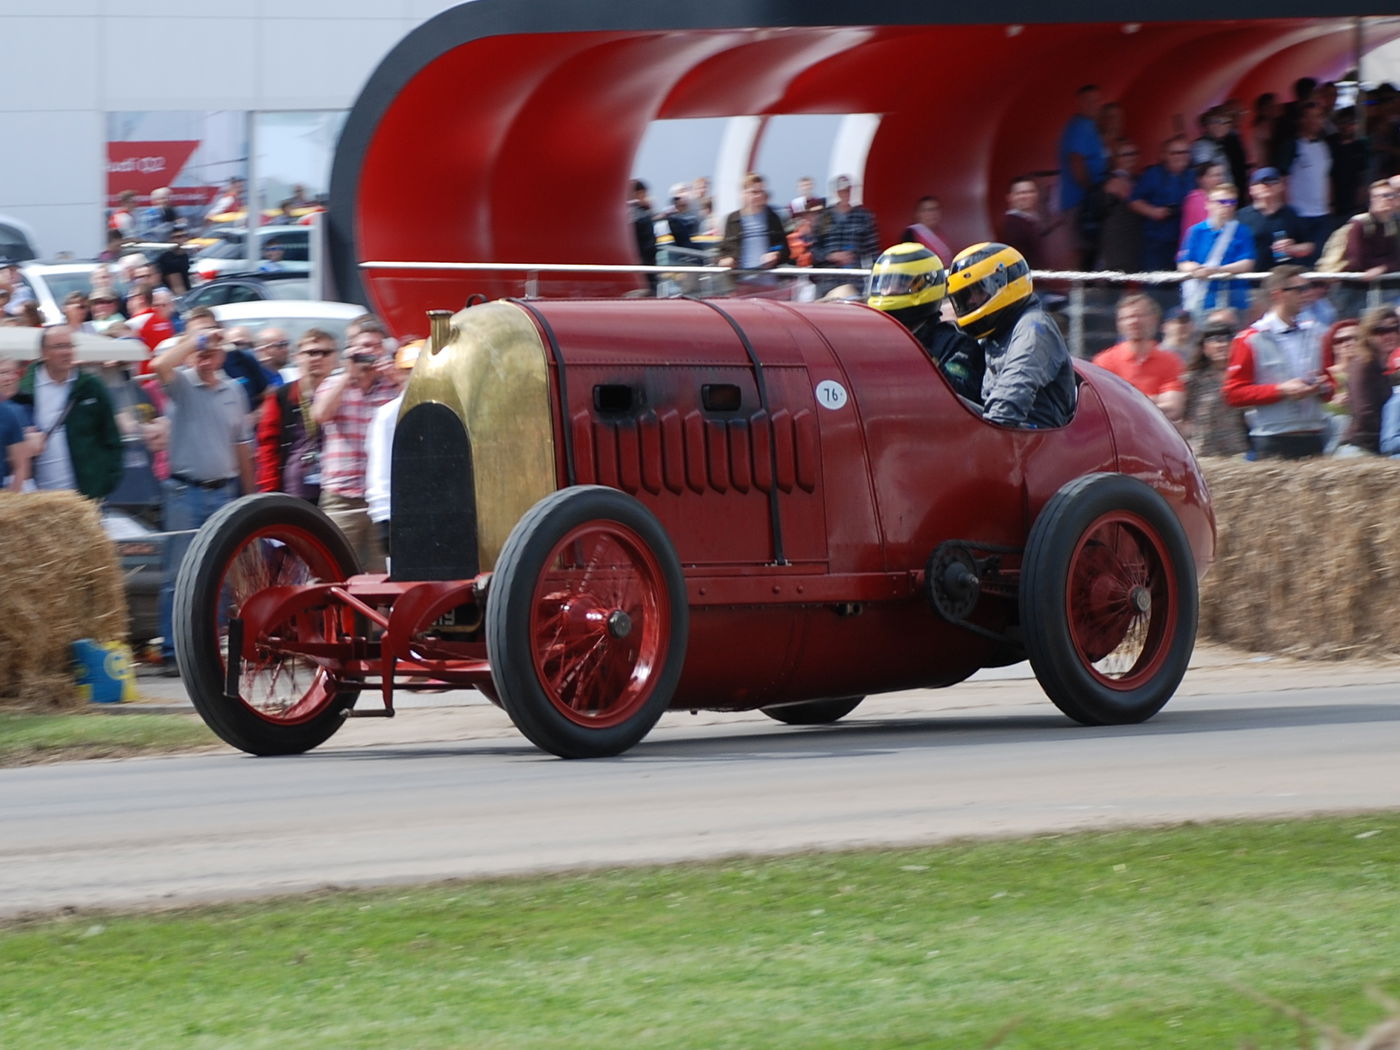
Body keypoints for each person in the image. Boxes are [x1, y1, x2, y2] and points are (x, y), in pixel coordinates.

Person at [151, 309, 255, 673]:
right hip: (185, 491)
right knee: (178, 575)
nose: (207, 352)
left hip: (223, 492)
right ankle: (170, 650)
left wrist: (250, 495)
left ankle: (212, 648)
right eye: (201, 344)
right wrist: (194, 340)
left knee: (220, 574)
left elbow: (241, 446)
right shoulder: (181, 384)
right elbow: (159, 365)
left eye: (214, 342)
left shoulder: (234, 391)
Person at [946, 242, 1076, 428]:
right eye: (965, 296)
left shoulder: (1034, 327)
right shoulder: (994, 336)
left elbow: (1011, 393)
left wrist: (986, 435)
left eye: (978, 290)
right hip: (1009, 438)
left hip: (1032, 443)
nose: (971, 300)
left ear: (1005, 283)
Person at [311, 318, 403, 572]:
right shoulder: (334, 383)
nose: (369, 353)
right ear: (351, 350)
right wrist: (347, 374)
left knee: (382, 573)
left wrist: (396, 377)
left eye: (376, 346)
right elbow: (320, 415)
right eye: (364, 346)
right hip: (341, 496)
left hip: (380, 498)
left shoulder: (391, 387)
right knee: (330, 569)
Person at [1223, 265, 1332, 459]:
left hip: (1314, 433)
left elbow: (1330, 384)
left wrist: (1321, 387)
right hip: (1274, 437)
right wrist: (1281, 390)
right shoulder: (1250, 338)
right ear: (1278, 294)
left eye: (1306, 288)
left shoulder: (1316, 333)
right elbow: (1233, 394)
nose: (1306, 294)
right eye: (1299, 289)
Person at [11, 325, 123, 499]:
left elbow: (112, 437)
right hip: (38, 496)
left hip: (86, 497)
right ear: (44, 352)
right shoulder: (24, 388)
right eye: (59, 346)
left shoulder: (90, 387)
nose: (67, 352)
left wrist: (106, 481)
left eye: (70, 346)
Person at [866, 242, 983, 400]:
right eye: (884, 284)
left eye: (899, 284)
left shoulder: (957, 343)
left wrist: (922, 358)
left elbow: (964, 395)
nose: (888, 291)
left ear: (927, 285)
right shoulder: (872, 338)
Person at [256, 328, 339, 502]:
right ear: (297, 357)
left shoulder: (346, 392)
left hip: (339, 488)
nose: (317, 358)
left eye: (325, 353)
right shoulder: (281, 396)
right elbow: (267, 447)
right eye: (310, 353)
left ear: (336, 358)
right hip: (295, 491)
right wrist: (270, 493)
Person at [364, 340, 422, 564]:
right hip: (402, 517)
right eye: (409, 371)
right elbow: (379, 468)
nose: (415, 376)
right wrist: (384, 518)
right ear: (398, 374)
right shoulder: (388, 415)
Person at [1092, 293, 1186, 421]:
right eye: (1127, 317)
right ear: (1119, 323)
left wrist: (1127, 401)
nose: (1134, 321)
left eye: (1140, 315)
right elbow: (1104, 407)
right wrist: (1154, 399)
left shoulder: (1170, 361)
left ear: (1154, 319)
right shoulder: (1104, 361)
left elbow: (1173, 409)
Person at [1177, 183, 1255, 319]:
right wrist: (1197, 269)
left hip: (1234, 300)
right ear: (1208, 204)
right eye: (1222, 201)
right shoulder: (1196, 231)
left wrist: (1216, 270)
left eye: (1232, 202)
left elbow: (1247, 263)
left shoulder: (1242, 231)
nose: (1228, 205)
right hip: (1201, 300)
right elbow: (1183, 263)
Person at [1275, 101, 1334, 265]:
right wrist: (1286, 209)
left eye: (1320, 117)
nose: (1318, 121)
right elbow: (1282, 179)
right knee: (1297, 260)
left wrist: (1329, 204)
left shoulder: (1324, 146)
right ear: (1302, 120)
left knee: (1320, 259)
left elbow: (1326, 176)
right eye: (1312, 117)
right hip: (1299, 213)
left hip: (1321, 214)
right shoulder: (1292, 145)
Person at [1335, 308, 1397, 455]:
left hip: (1376, 447)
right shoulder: (1363, 364)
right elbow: (1365, 412)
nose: (1390, 335)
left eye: (1395, 328)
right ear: (1368, 335)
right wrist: (1391, 434)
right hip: (1361, 449)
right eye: (1380, 331)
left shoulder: (1383, 366)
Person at [1183, 322, 1250, 457]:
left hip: (1238, 451)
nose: (1222, 345)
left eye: (1227, 340)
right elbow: (1184, 415)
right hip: (1203, 452)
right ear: (1204, 348)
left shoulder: (1245, 377)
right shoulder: (1193, 380)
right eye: (1214, 340)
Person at [716, 173, 791, 289]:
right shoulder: (732, 219)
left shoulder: (773, 218)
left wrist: (776, 254)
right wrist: (726, 260)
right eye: (754, 192)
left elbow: (782, 247)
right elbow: (724, 249)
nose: (758, 196)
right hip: (741, 282)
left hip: (768, 281)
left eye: (761, 192)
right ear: (743, 194)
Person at [1131, 136, 1195, 272]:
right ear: (1164, 155)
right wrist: (1153, 211)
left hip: (1184, 241)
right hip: (1156, 240)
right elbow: (1134, 201)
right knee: (1156, 284)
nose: (1181, 156)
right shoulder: (1153, 174)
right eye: (1175, 152)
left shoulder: (1192, 175)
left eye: (1184, 152)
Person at [1059, 85, 1108, 259]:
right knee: (1083, 250)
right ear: (1079, 103)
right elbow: (1076, 161)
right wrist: (1092, 192)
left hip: (1085, 201)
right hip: (1080, 203)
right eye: (1090, 101)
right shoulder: (1081, 126)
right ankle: (1081, 286)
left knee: (1090, 249)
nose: (1095, 105)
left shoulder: (1090, 126)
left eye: (1097, 100)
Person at [1235, 167, 1313, 272]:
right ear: (1251, 190)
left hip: (1282, 279)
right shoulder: (1242, 216)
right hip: (1251, 280)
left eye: (1272, 181)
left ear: (1281, 186)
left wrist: (1292, 249)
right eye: (1261, 182)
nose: (1267, 186)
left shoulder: (1291, 214)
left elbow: (1309, 246)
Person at [812, 174, 878, 293]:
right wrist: (831, 256)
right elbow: (815, 249)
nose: (845, 194)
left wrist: (876, 276)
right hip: (827, 279)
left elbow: (873, 250)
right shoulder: (824, 217)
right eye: (841, 191)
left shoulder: (863, 216)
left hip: (854, 280)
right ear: (836, 192)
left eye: (847, 190)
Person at [998, 177, 1053, 270]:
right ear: (1010, 198)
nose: (1025, 196)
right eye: (1019, 193)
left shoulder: (1033, 222)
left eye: (1030, 192)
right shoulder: (1012, 226)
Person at [0, 357, 32, 491]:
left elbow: (21, 465)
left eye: (13, 373)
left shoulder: (10, 411)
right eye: (3, 373)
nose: (9, 378)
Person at [901, 196, 953, 263]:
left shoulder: (940, 232)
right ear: (918, 213)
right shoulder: (910, 234)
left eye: (935, 209)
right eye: (928, 210)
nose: (933, 213)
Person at [628, 179, 657, 294]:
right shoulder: (643, 216)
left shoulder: (621, 214)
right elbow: (649, 247)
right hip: (645, 268)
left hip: (630, 268)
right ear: (640, 193)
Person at [155, 222, 193, 295]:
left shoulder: (186, 255)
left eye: (185, 236)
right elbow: (177, 287)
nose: (183, 239)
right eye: (178, 237)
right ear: (170, 240)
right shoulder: (169, 259)